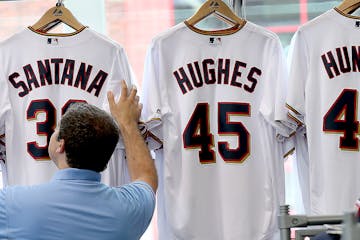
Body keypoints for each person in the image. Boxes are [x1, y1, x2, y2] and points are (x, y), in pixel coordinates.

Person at [0, 80, 158, 240]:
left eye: (57, 129)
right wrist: (128, 124)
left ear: (61, 145)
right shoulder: (130, 210)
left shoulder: (11, 204)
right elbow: (147, 178)